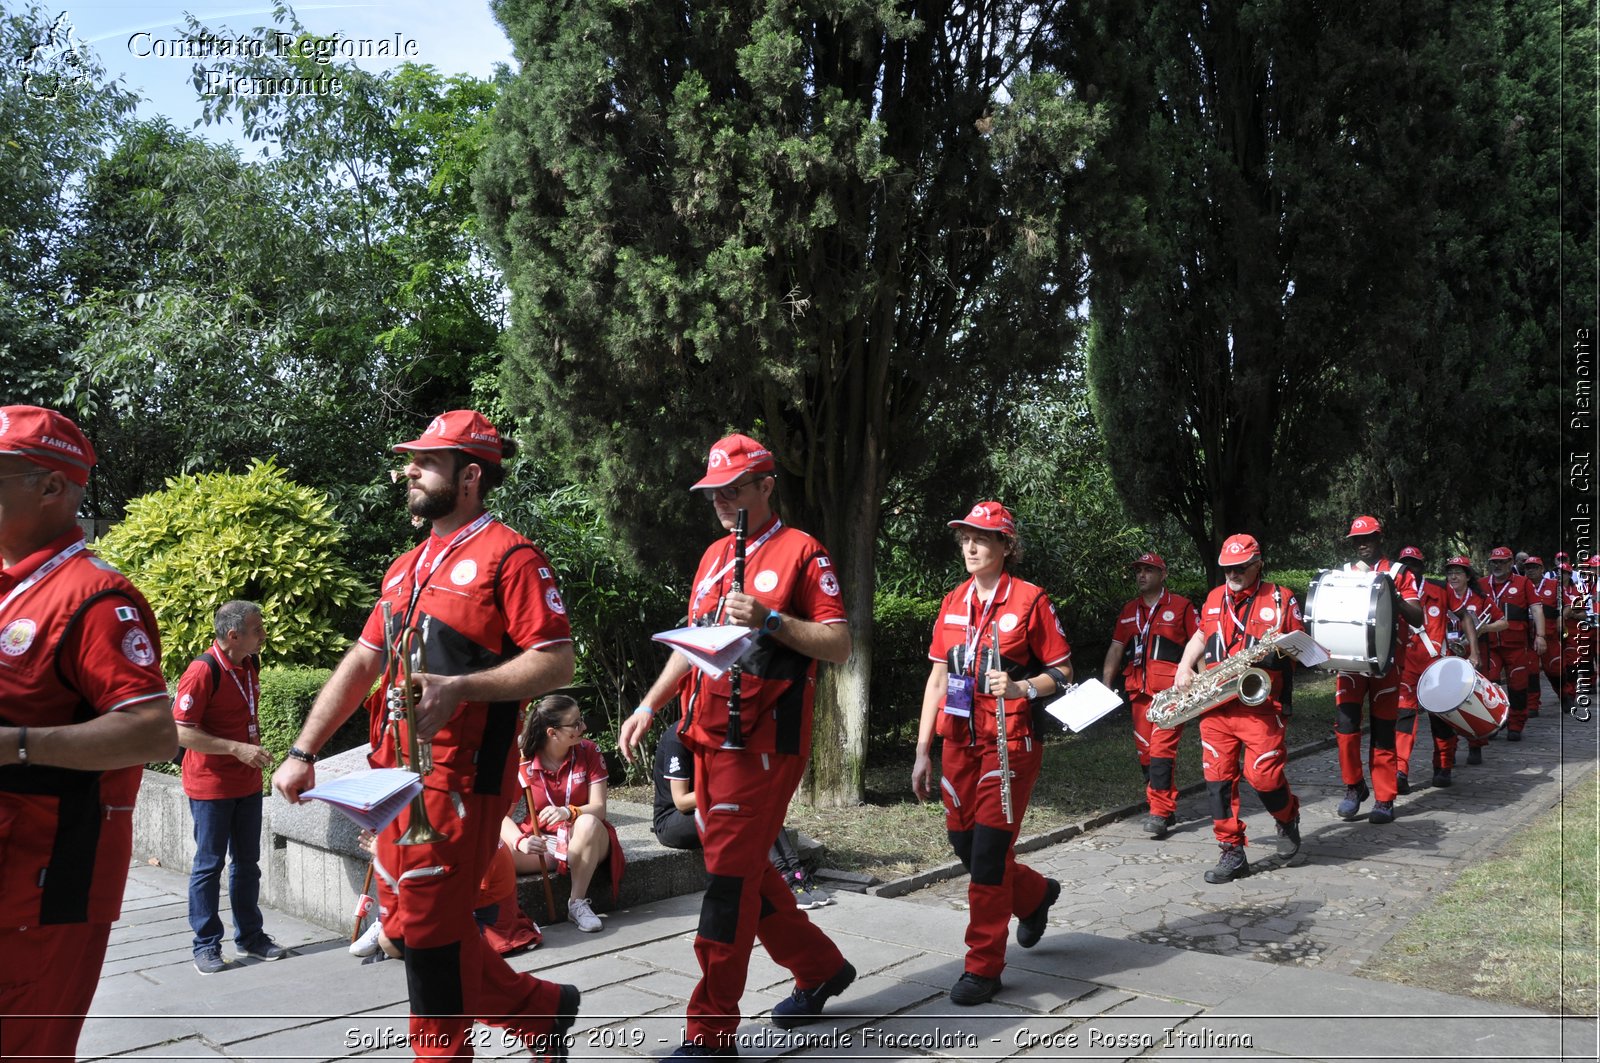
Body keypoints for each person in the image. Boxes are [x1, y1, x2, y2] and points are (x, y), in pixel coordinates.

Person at [270, 410, 579, 1061]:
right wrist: (304, 750)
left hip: (461, 783)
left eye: (427, 459)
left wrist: (460, 688)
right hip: (395, 783)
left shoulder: (510, 556)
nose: (409, 467)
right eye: (412, 457)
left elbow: (557, 660)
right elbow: (362, 663)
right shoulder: (405, 565)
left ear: (470, 475)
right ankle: (542, 1013)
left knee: (430, 941)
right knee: (416, 930)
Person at [618, 433, 854, 1057]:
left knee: (727, 882)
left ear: (766, 485)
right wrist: (649, 704)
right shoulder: (713, 556)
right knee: (745, 869)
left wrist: (771, 619)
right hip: (704, 735)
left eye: (734, 490)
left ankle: (711, 1032)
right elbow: (691, 644)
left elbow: (839, 645)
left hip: (763, 744)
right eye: (713, 493)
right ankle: (821, 967)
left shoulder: (804, 552)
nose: (722, 502)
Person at [0, 405, 177, 1062]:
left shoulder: (95, 598)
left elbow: (154, 732)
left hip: (43, 885)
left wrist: (17, 742)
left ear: (51, 488)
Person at [913, 501, 1074, 1005]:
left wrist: (1022, 687)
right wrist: (922, 751)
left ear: (1007, 546)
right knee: (965, 845)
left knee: (986, 857)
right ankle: (1034, 894)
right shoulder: (953, 600)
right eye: (965, 537)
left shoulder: (1030, 600)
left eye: (982, 538)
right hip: (959, 742)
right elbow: (938, 678)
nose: (971, 546)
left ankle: (983, 967)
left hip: (1011, 746)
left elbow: (1064, 673)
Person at [1173, 534, 1307, 883]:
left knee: (1263, 775)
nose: (1232, 574)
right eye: (1227, 568)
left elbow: (1301, 648)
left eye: (1239, 567)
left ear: (1258, 564)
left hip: (1259, 703)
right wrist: (1185, 666)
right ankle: (1231, 851)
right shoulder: (1216, 596)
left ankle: (1287, 815)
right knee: (1217, 779)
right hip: (1216, 703)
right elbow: (1202, 634)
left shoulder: (1281, 598)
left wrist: (1277, 652)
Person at [174, 600, 289, 974]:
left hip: (247, 782)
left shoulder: (248, 663)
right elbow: (181, 731)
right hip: (210, 786)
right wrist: (236, 749)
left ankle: (251, 938)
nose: (264, 635)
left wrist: (246, 752)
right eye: (258, 629)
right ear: (234, 635)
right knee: (209, 865)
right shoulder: (202, 671)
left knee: (248, 864)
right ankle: (205, 945)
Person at [651, 723, 833, 909]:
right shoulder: (678, 737)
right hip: (672, 821)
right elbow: (681, 802)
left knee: (761, 804)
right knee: (739, 809)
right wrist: (728, 788)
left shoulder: (720, 732)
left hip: (710, 808)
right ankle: (781, 877)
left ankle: (795, 872)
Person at [502, 694, 624, 934]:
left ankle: (576, 903)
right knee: (492, 850)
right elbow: (500, 817)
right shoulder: (524, 760)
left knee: (587, 822)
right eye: (576, 723)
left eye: (581, 720)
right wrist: (520, 841)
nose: (584, 727)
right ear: (552, 733)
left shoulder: (589, 750)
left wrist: (568, 811)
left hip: (588, 838)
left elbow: (599, 808)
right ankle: (508, 916)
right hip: (545, 841)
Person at [1329, 516, 1423, 824]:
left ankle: (1384, 798)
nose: (1362, 543)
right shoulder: (1341, 574)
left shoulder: (1398, 573)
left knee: (1383, 732)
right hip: (1350, 665)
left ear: (1379, 538)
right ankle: (1354, 787)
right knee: (1345, 730)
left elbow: (1418, 617)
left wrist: (1394, 597)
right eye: (1357, 539)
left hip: (1385, 665)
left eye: (1368, 537)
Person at [1101, 551, 1199, 839]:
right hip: (1138, 691)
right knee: (1146, 753)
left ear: (1163, 574)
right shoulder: (1129, 609)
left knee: (1161, 750)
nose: (1142, 575)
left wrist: (1205, 681)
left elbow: (1200, 641)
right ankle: (1165, 807)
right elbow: (1116, 648)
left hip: (1171, 693)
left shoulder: (1181, 606)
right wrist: (1106, 684)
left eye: (1149, 570)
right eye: (1139, 570)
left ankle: (1158, 811)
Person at [1482, 545, 1547, 741]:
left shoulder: (1524, 582)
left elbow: (1536, 610)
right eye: (1494, 562)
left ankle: (1516, 724)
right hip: (1490, 645)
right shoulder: (1481, 584)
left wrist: (1541, 636)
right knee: (1489, 685)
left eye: (1502, 562)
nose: (1498, 565)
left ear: (1511, 563)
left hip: (1517, 645)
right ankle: (1493, 722)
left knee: (1518, 685)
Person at [1391, 547, 1442, 793]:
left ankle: (1443, 764)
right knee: (1403, 717)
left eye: (1415, 564)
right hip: (1405, 664)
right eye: (1406, 564)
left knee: (1440, 717)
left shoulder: (1440, 591)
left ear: (1423, 566)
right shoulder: (1390, 591)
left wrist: (1472, 649)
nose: (1410, 569)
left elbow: (1465, 614)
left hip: (1435, 665)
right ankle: (1400, 771)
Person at [1521, 556, 1562, 717]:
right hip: (1527, 636)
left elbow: (1563, 606)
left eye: (1534, 567)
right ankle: (1532, 705)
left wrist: (1561, 619)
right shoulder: (1520, 586)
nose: (1530, 570)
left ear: (1542, 569)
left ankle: (1564, 693)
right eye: (1528, 568)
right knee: (1531, 671)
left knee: (1554, 668)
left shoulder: (1554, 585)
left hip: (1550, 635)